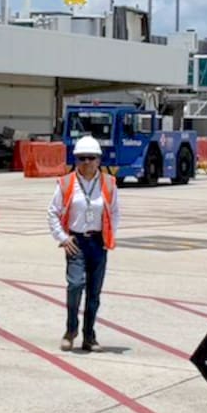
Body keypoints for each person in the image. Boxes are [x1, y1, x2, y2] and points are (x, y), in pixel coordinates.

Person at [47, 136, 119, 353]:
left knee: (94, 293)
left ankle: (89, 335)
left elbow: (115, 212)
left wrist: (109, 236)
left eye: (91, 158)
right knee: (76, 285)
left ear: (98, 160)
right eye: (81, 158)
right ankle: (70, 331)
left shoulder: (108, 183)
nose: (86, 162)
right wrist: (62, 237)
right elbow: (53, 212)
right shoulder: (66, 183)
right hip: (76, 241)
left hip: (97, 242)